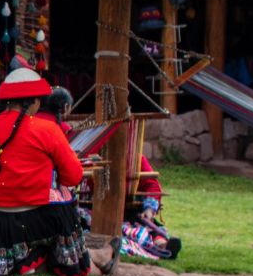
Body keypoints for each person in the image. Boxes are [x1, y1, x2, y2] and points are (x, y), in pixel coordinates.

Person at [0, 67, 89, 276]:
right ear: (36, 102)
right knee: (66, 196)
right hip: (32, 221)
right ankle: (51, 258)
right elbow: (74, 176)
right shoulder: (46, 129)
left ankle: (23, 259)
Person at [42, 86, 180, 261]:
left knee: (146, 227)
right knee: (103, 225)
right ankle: (151, 244)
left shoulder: (133, 158)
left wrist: (149, 210)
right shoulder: (90, 150)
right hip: (91, 210)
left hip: (129, 210)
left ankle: (162, 245)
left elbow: (151, 184)